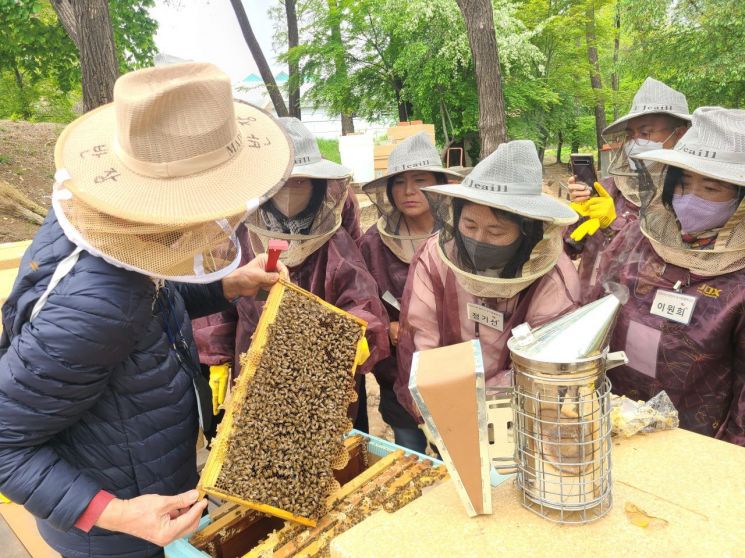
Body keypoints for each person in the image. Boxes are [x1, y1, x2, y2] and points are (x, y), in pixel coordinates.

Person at [0, 63, 292, 557]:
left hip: (142, 468)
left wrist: (224, 287)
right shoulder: (97, 304)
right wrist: (113, 512)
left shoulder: (112, 227)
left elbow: (146, 302)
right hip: (117, 532)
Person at [197, 117, 389, 426]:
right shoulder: (240, 241)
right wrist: (216, 357)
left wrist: (360, 333)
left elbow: (361, 298)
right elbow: (221, 301)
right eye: (281, 182)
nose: (289, 191)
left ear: (317, 187)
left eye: (300, 181)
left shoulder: (335, 242)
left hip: (326, 372)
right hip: (256, 363)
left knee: (336, 455)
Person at [589, 107, 745, 446]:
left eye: (712, 188)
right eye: (683, 183)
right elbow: (596, 305)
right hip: (615, 417)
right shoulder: (639, 237)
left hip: (695, 442)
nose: (692, 198)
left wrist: (730, 459)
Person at [395, 140, 581, 421]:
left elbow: (544, 363)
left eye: (496, 232)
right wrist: (432, 399)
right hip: (446, 398)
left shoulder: (553, 276)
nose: (479, 240)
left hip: (520, 411)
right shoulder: (435, 256)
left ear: (526, 231)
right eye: (469, 225)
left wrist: (475, 399)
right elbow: (422, 335)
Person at [359, 132, 463, 452]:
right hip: (396, 374)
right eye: (399, 182)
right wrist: (382, 326)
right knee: (411, 455)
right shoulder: (371, 243)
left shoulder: (464, 234)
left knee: (458, 457)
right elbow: (362, 298)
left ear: (438, 182)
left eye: (419, 179)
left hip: (454, 369)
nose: (409, 191)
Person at [566, 78, 691, 298]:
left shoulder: (697, 197)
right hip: (589, 311)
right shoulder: (608, 188)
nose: (634, 143)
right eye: (631, 135)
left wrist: (612, 227)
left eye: (645, 133)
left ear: (679, 134)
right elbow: (570, 247)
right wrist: (575, 212)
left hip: (644, 318)